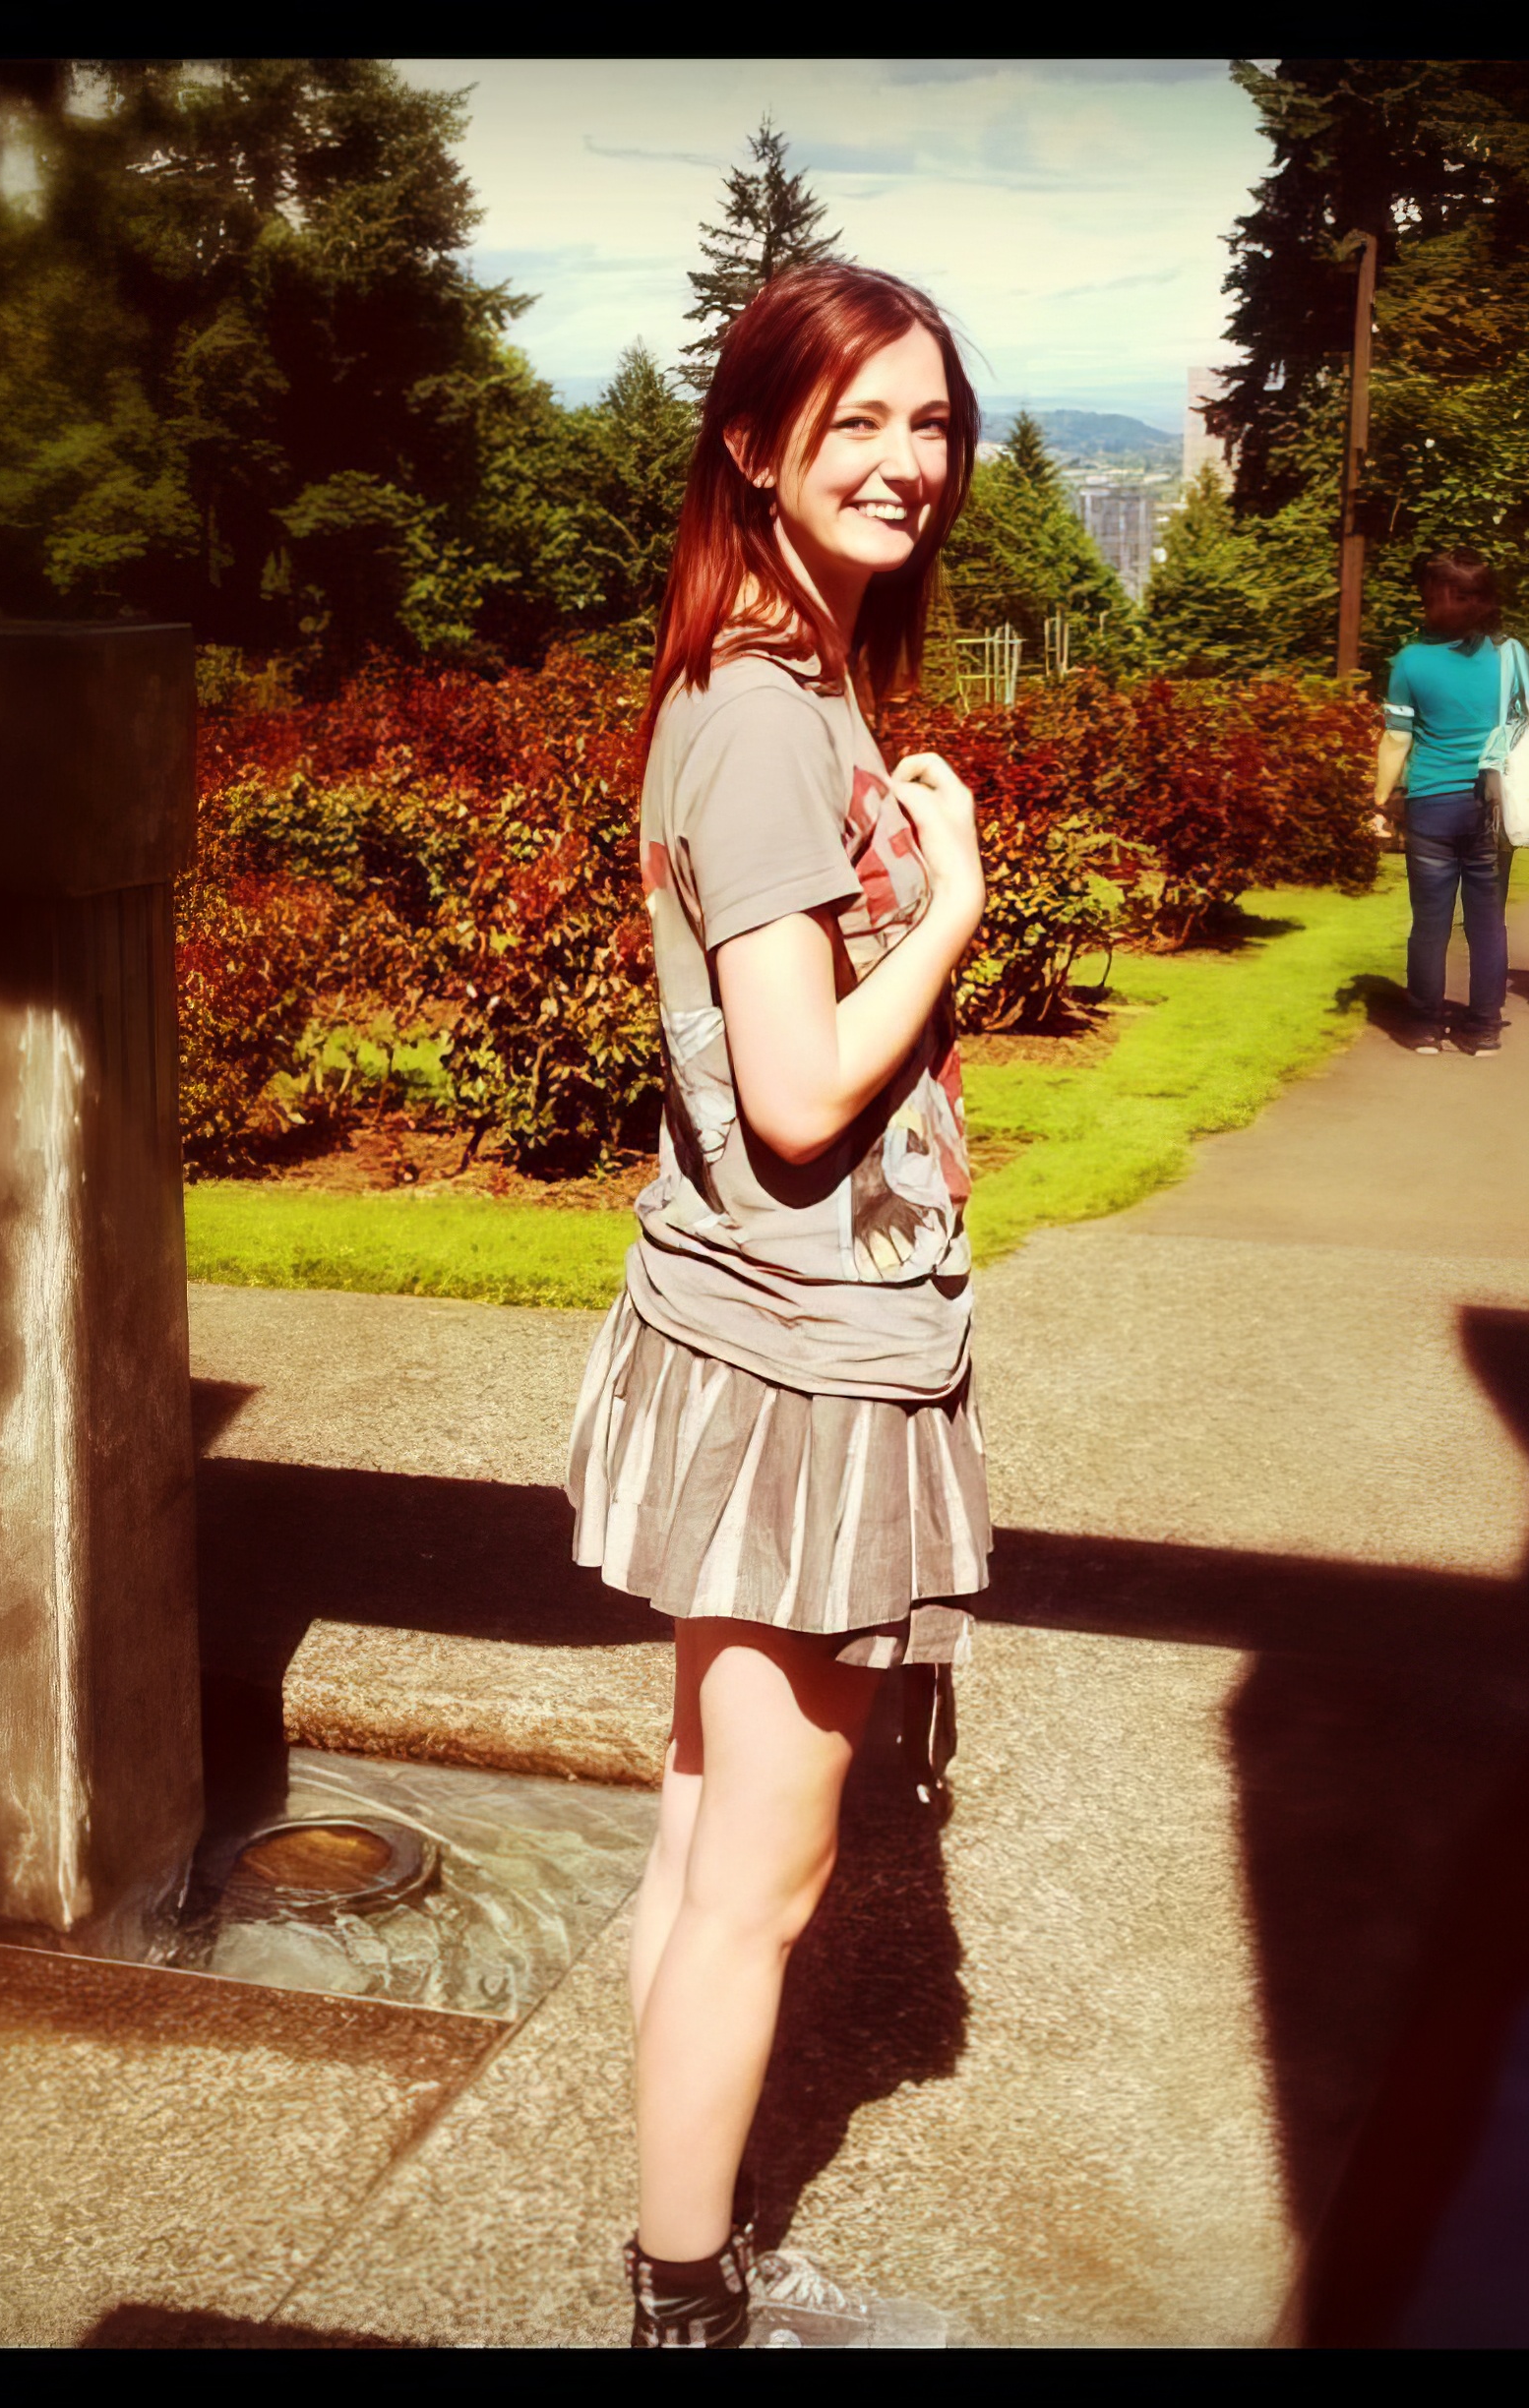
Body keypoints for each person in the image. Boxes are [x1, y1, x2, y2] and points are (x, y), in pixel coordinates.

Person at [563, 263, 987, 2349]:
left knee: (701, 1837)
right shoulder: (755, 714)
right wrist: (962, 912)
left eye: (932, 423)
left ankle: (692, 2239)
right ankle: (686, 2306)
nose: (911, 462)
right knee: (765, 1878)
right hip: (800, 1361)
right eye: (861, 426)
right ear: (754, 445)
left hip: (758, 1329)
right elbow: (806, 1093)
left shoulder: (795, 683)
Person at [1371, 549, 1529, 1056]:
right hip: (1494, 805)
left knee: (1430, 921)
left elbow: (1397, 739)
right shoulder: (1511, 655)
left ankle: (1423, 1025)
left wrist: (1379, 802)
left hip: (1432, 804)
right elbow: (1526, 724)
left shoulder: (1411, 661)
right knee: (1487, 921)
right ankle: (1484, 1027)